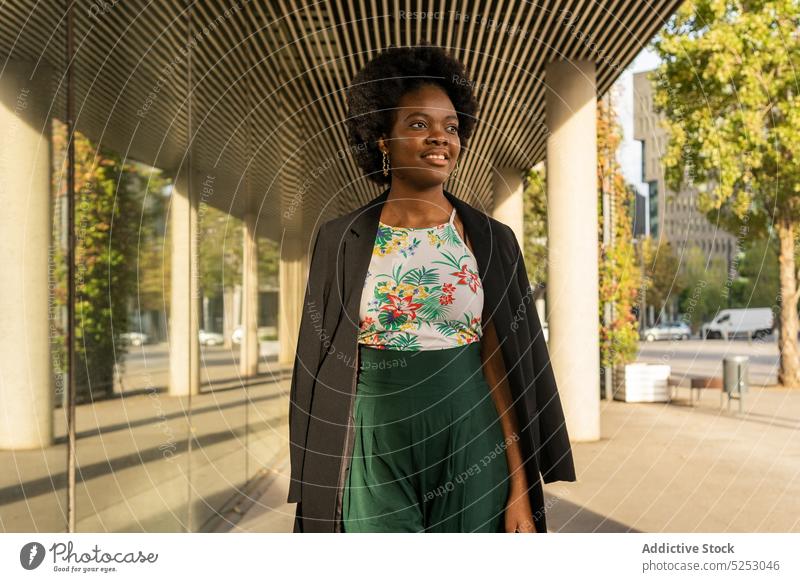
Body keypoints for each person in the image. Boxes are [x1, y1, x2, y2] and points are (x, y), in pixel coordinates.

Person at [288, 42, 576, 533]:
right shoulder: (342, 239)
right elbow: (316, 364)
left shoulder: (491, 239)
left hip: (473, 438)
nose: (439, 138)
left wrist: (522, 486)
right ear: (382, 138)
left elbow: (501, 363)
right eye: (418, 124)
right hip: (372, 446)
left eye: (450, 126)